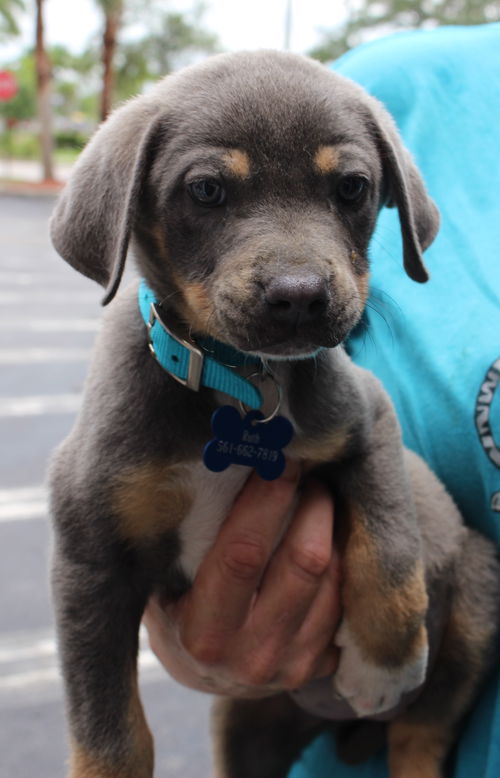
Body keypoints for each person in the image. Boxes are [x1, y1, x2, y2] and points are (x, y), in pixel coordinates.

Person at [144, 23, 500, 777]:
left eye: (348, 192)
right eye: (211, 189)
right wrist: (194, 636)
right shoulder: (391, 90)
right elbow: (158, 350)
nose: (300, 277)